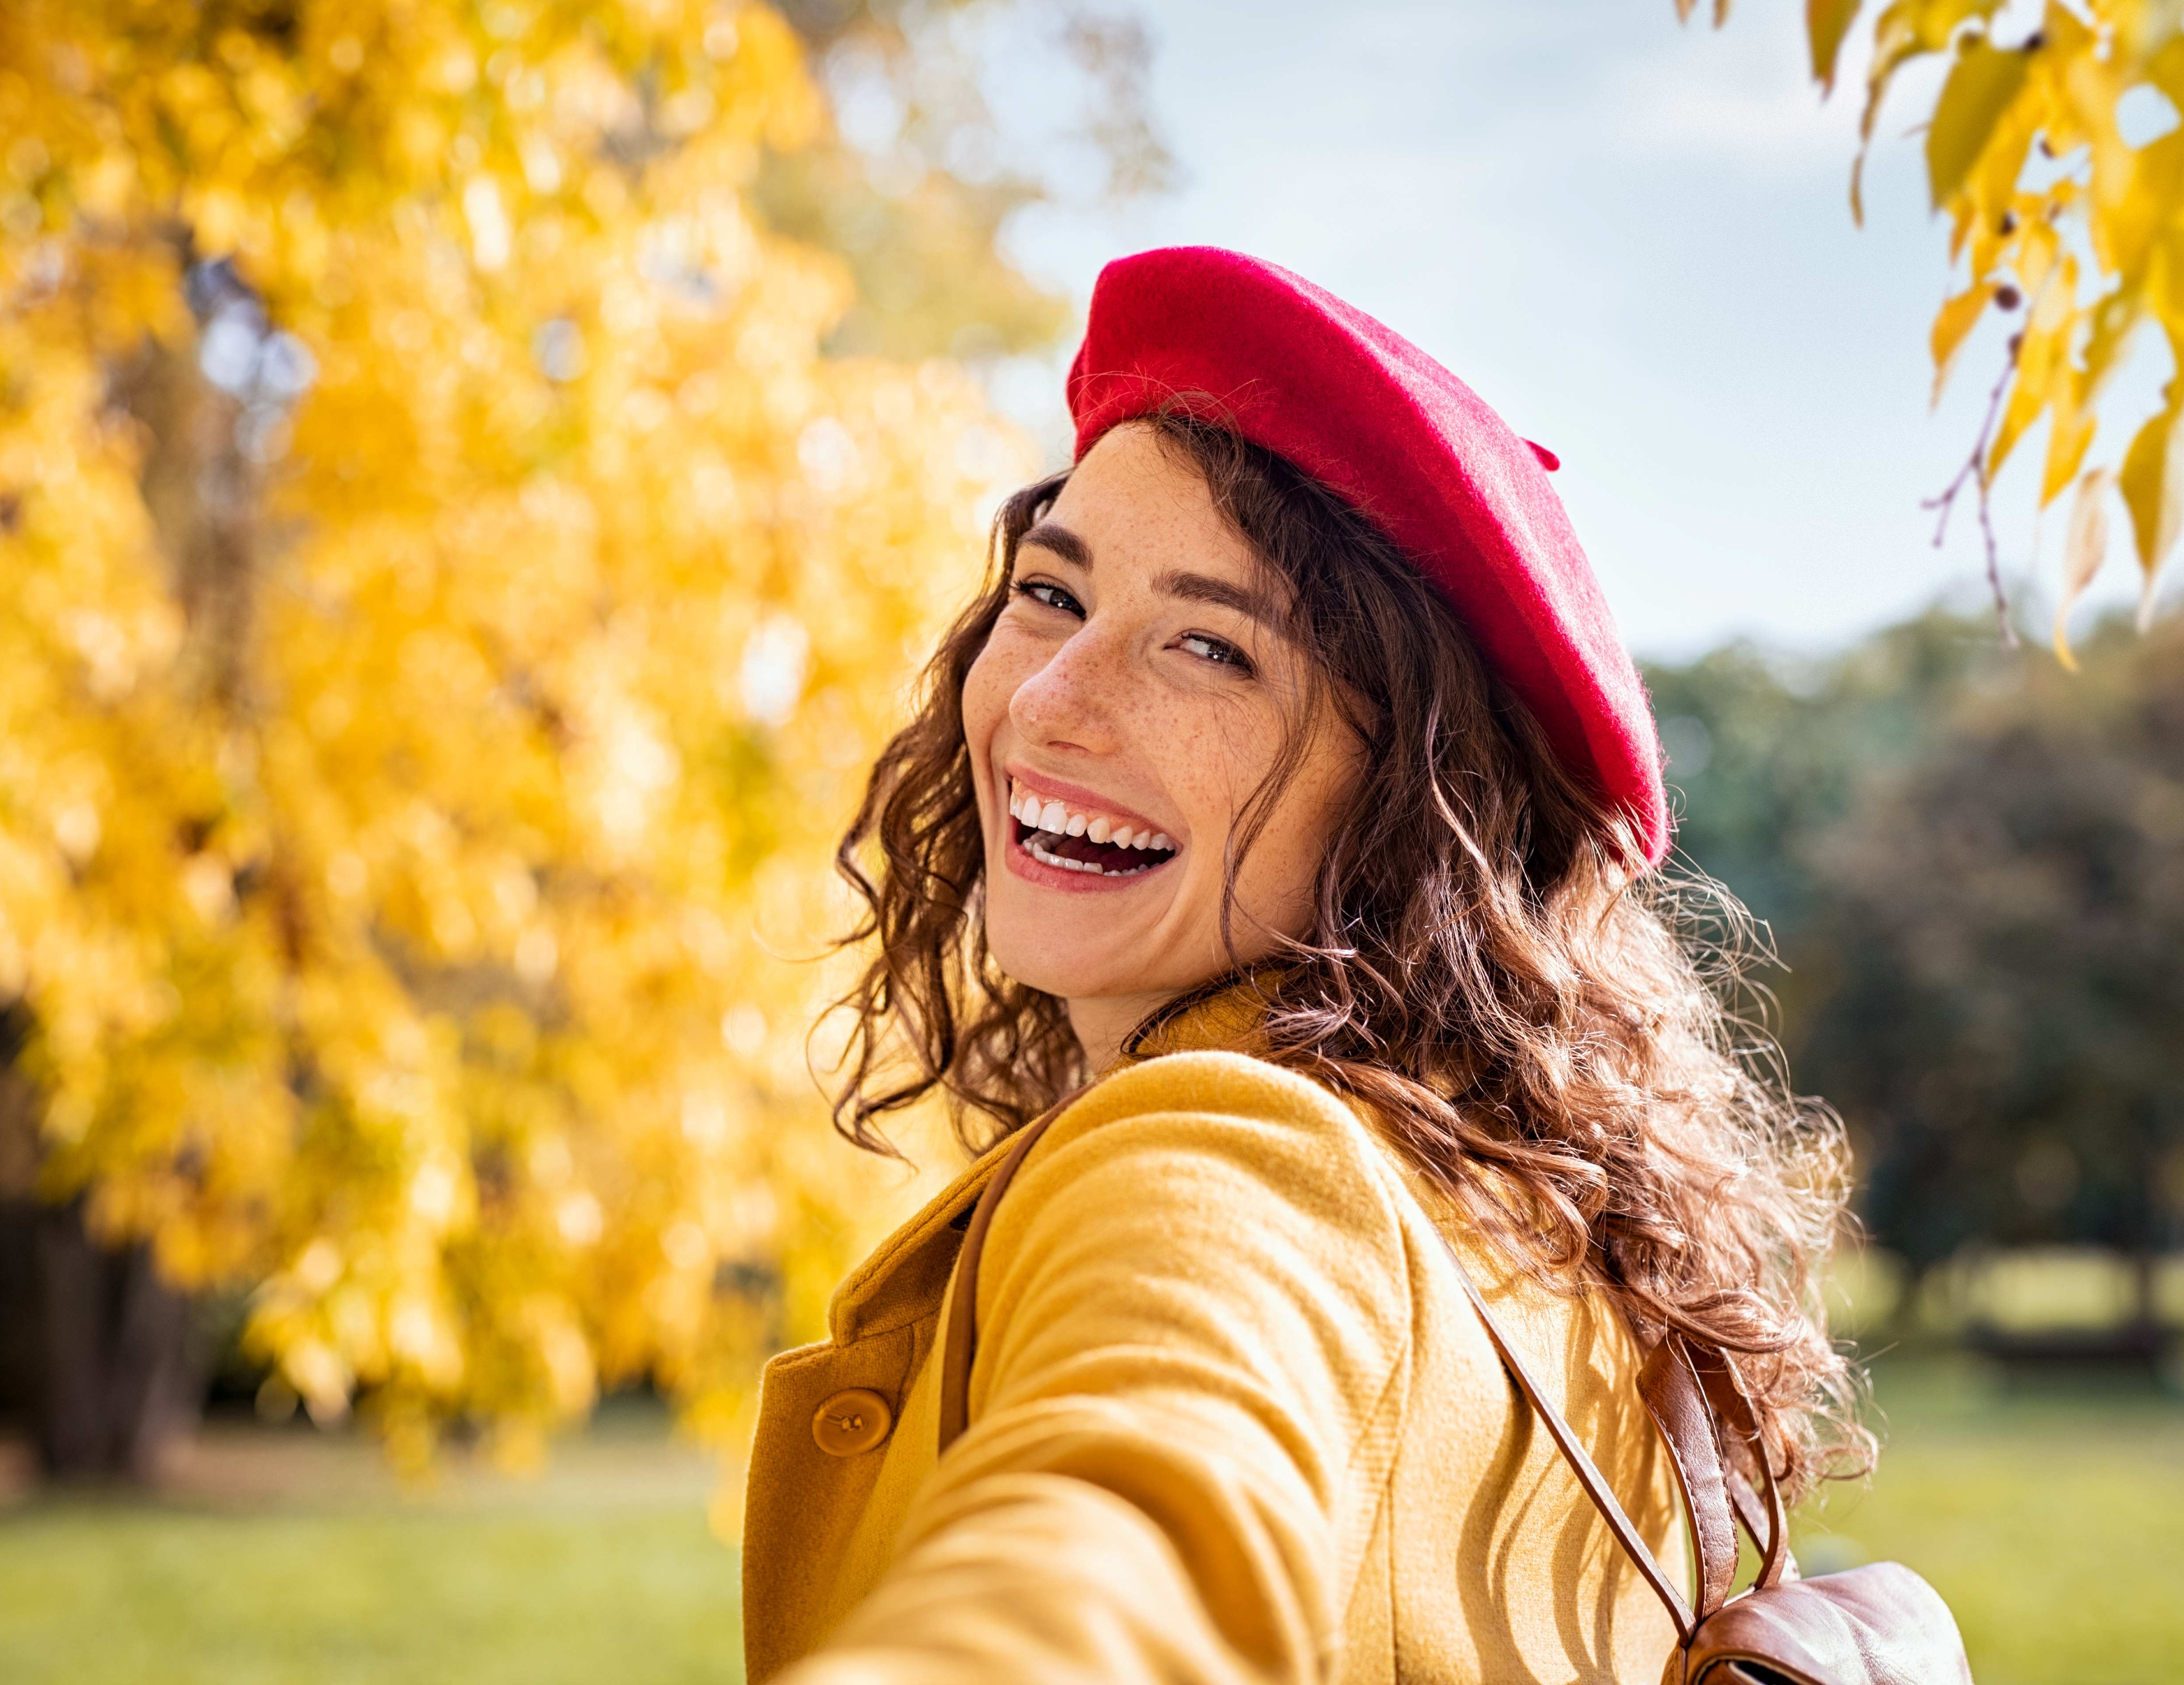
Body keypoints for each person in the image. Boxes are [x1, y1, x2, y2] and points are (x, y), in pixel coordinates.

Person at [740, 247, 1864, 1685]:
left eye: (1211, 648)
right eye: (1053, 594)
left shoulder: (1232, 1149)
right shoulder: (1519, 1206)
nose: (1050, 699)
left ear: (1416, 807)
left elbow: (1130, 1531)